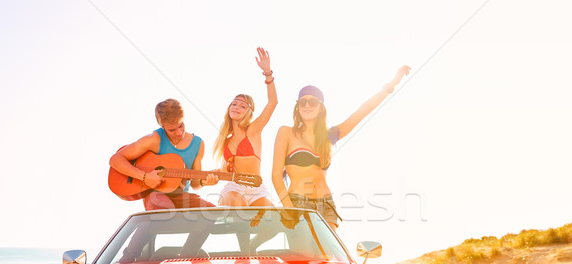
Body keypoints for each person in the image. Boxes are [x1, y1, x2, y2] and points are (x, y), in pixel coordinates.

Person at [271, 65, 411, 230]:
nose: (307, 106)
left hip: (326, 203)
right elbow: (276, 176)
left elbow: (362, 111)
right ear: (297, 106)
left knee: (328, 255)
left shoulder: (329, 136)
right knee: (307, 254)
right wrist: (289, 210)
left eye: (312, 102)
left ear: (321, 107)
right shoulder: (286, 132)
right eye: (303, 102)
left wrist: (392, 83)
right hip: (298, 203)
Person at [110, 98, 219, 210]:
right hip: (155, 195)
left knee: (214, 212)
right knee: (163, 208)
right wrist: (144, 177)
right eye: (172, 130)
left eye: (181, 125)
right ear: (162, 126)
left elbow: (195, 184)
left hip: (180, 196)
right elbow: (115, 159)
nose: (179, 133)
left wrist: (204, 182)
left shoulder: (198, 144)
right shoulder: (154, 140)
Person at [213, 47, 278, 207]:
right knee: (238, 207)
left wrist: (267, 72)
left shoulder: (253, 130)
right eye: (234, 104)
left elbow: (272, 103)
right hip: (234, 188)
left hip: (257, 188)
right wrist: (208, 179)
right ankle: (242, 231)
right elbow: (224, 172)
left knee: (272, 220)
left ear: (249, 112)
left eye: (242, 106)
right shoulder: (225, 141)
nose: (236, 107)